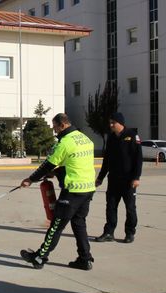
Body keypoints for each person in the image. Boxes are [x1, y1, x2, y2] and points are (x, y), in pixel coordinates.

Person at [19, 113, 96, 270]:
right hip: (87, 188)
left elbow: (47, 165)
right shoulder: (84, 138)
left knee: (56, 226)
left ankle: (40, 257)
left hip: (73, 190)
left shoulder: (65, 143)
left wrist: (30, 179)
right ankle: (85, 259)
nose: (55, 131)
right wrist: (58, 172)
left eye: (55, 127)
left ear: (62, 125)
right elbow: (76, 163)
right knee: (79, 224)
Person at [94, 112, 142, 243]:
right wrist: (100, 177)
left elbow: (138, 159)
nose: (110, 125)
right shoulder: (111, 138)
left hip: (128, 180)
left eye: (113, 123)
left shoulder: (132, 136)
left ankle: (130, 233)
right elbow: (107, 160)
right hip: (114, 180)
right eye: (110, 122)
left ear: (120, 123)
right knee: (111, 207)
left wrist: (136, 177)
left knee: (130, 208)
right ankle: (109, 232)